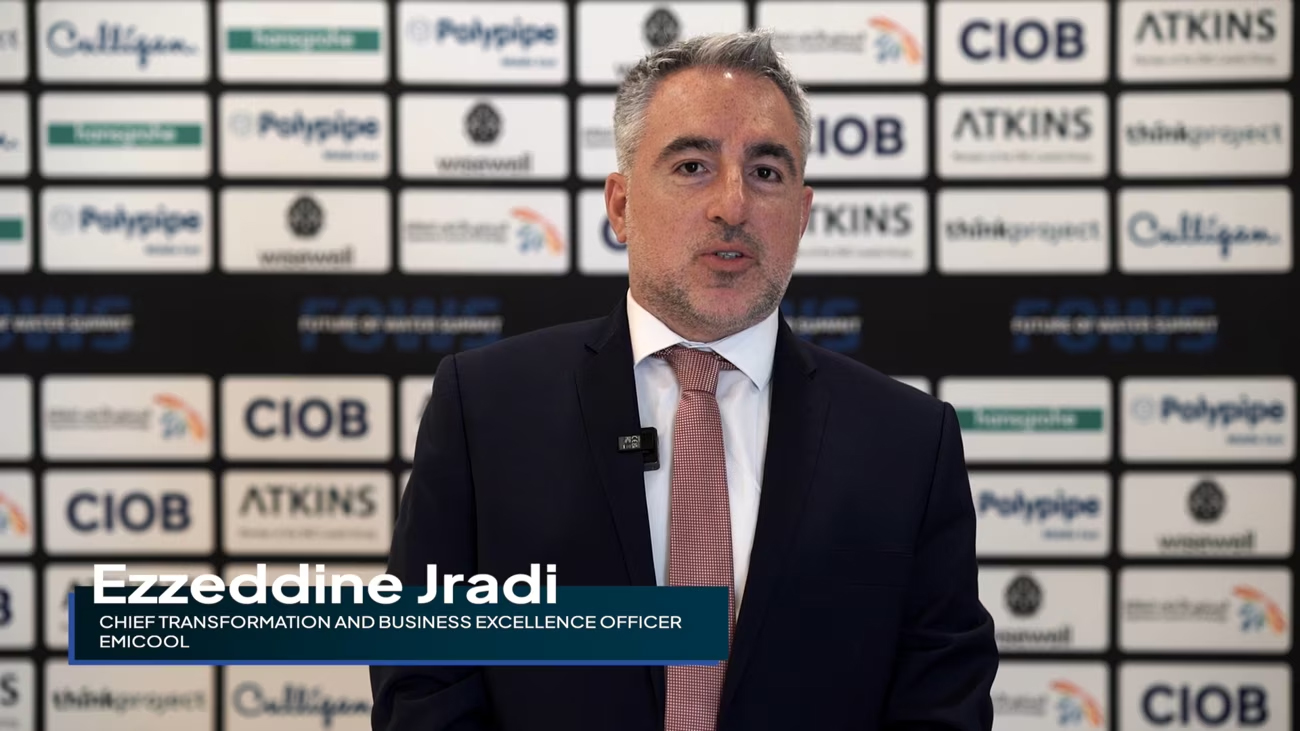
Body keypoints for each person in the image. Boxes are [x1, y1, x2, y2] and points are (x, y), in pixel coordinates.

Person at [371, 30, 997, 731]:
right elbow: (421, 671)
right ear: (621, 205)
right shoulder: (485, 408)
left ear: (802, 214)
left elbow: (943, 695)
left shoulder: (908, 441)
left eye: (766, 172)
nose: (733, 204)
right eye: (693, 165)